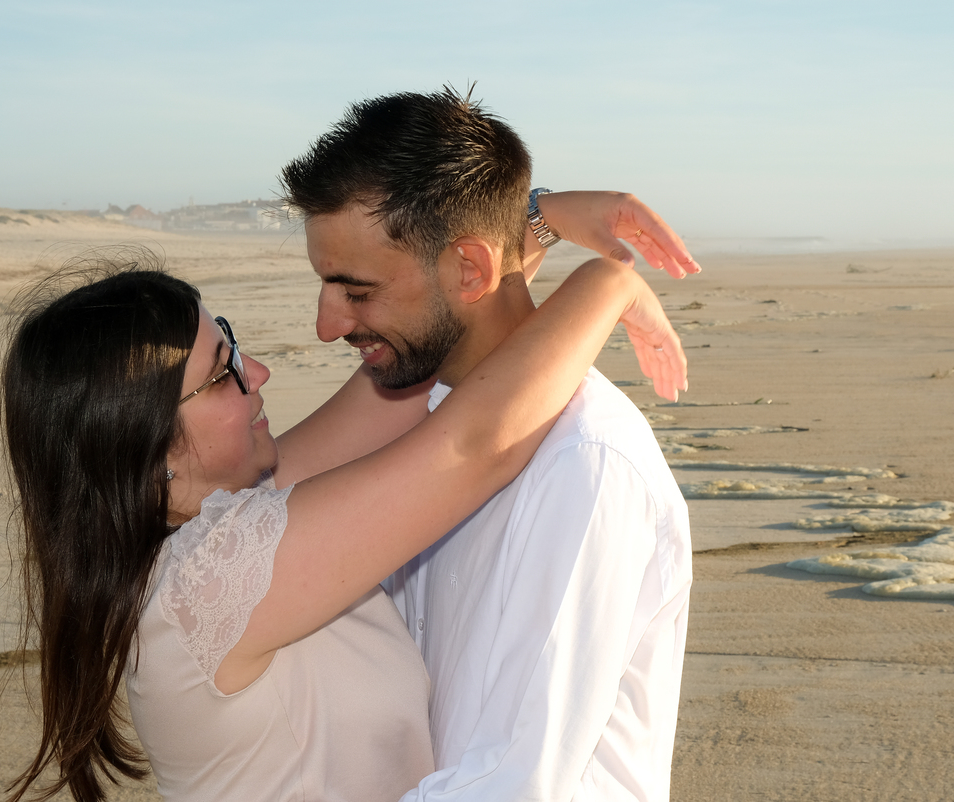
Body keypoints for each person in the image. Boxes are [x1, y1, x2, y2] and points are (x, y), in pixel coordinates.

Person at [1, 244, 685, 802]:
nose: (257, 371)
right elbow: (474, 445)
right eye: (222, 373)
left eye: (232, 342)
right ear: (147, 448)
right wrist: (607, 281)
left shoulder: (218, 532)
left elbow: (413, 357)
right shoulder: (208, 583)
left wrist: (518, 223)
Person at [279, 87, 695, 801]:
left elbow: (512, 783)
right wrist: (540, 217)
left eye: (358, 291)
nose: (327, 326)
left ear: (470, 269)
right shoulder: (425, 423)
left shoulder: (583, 463)